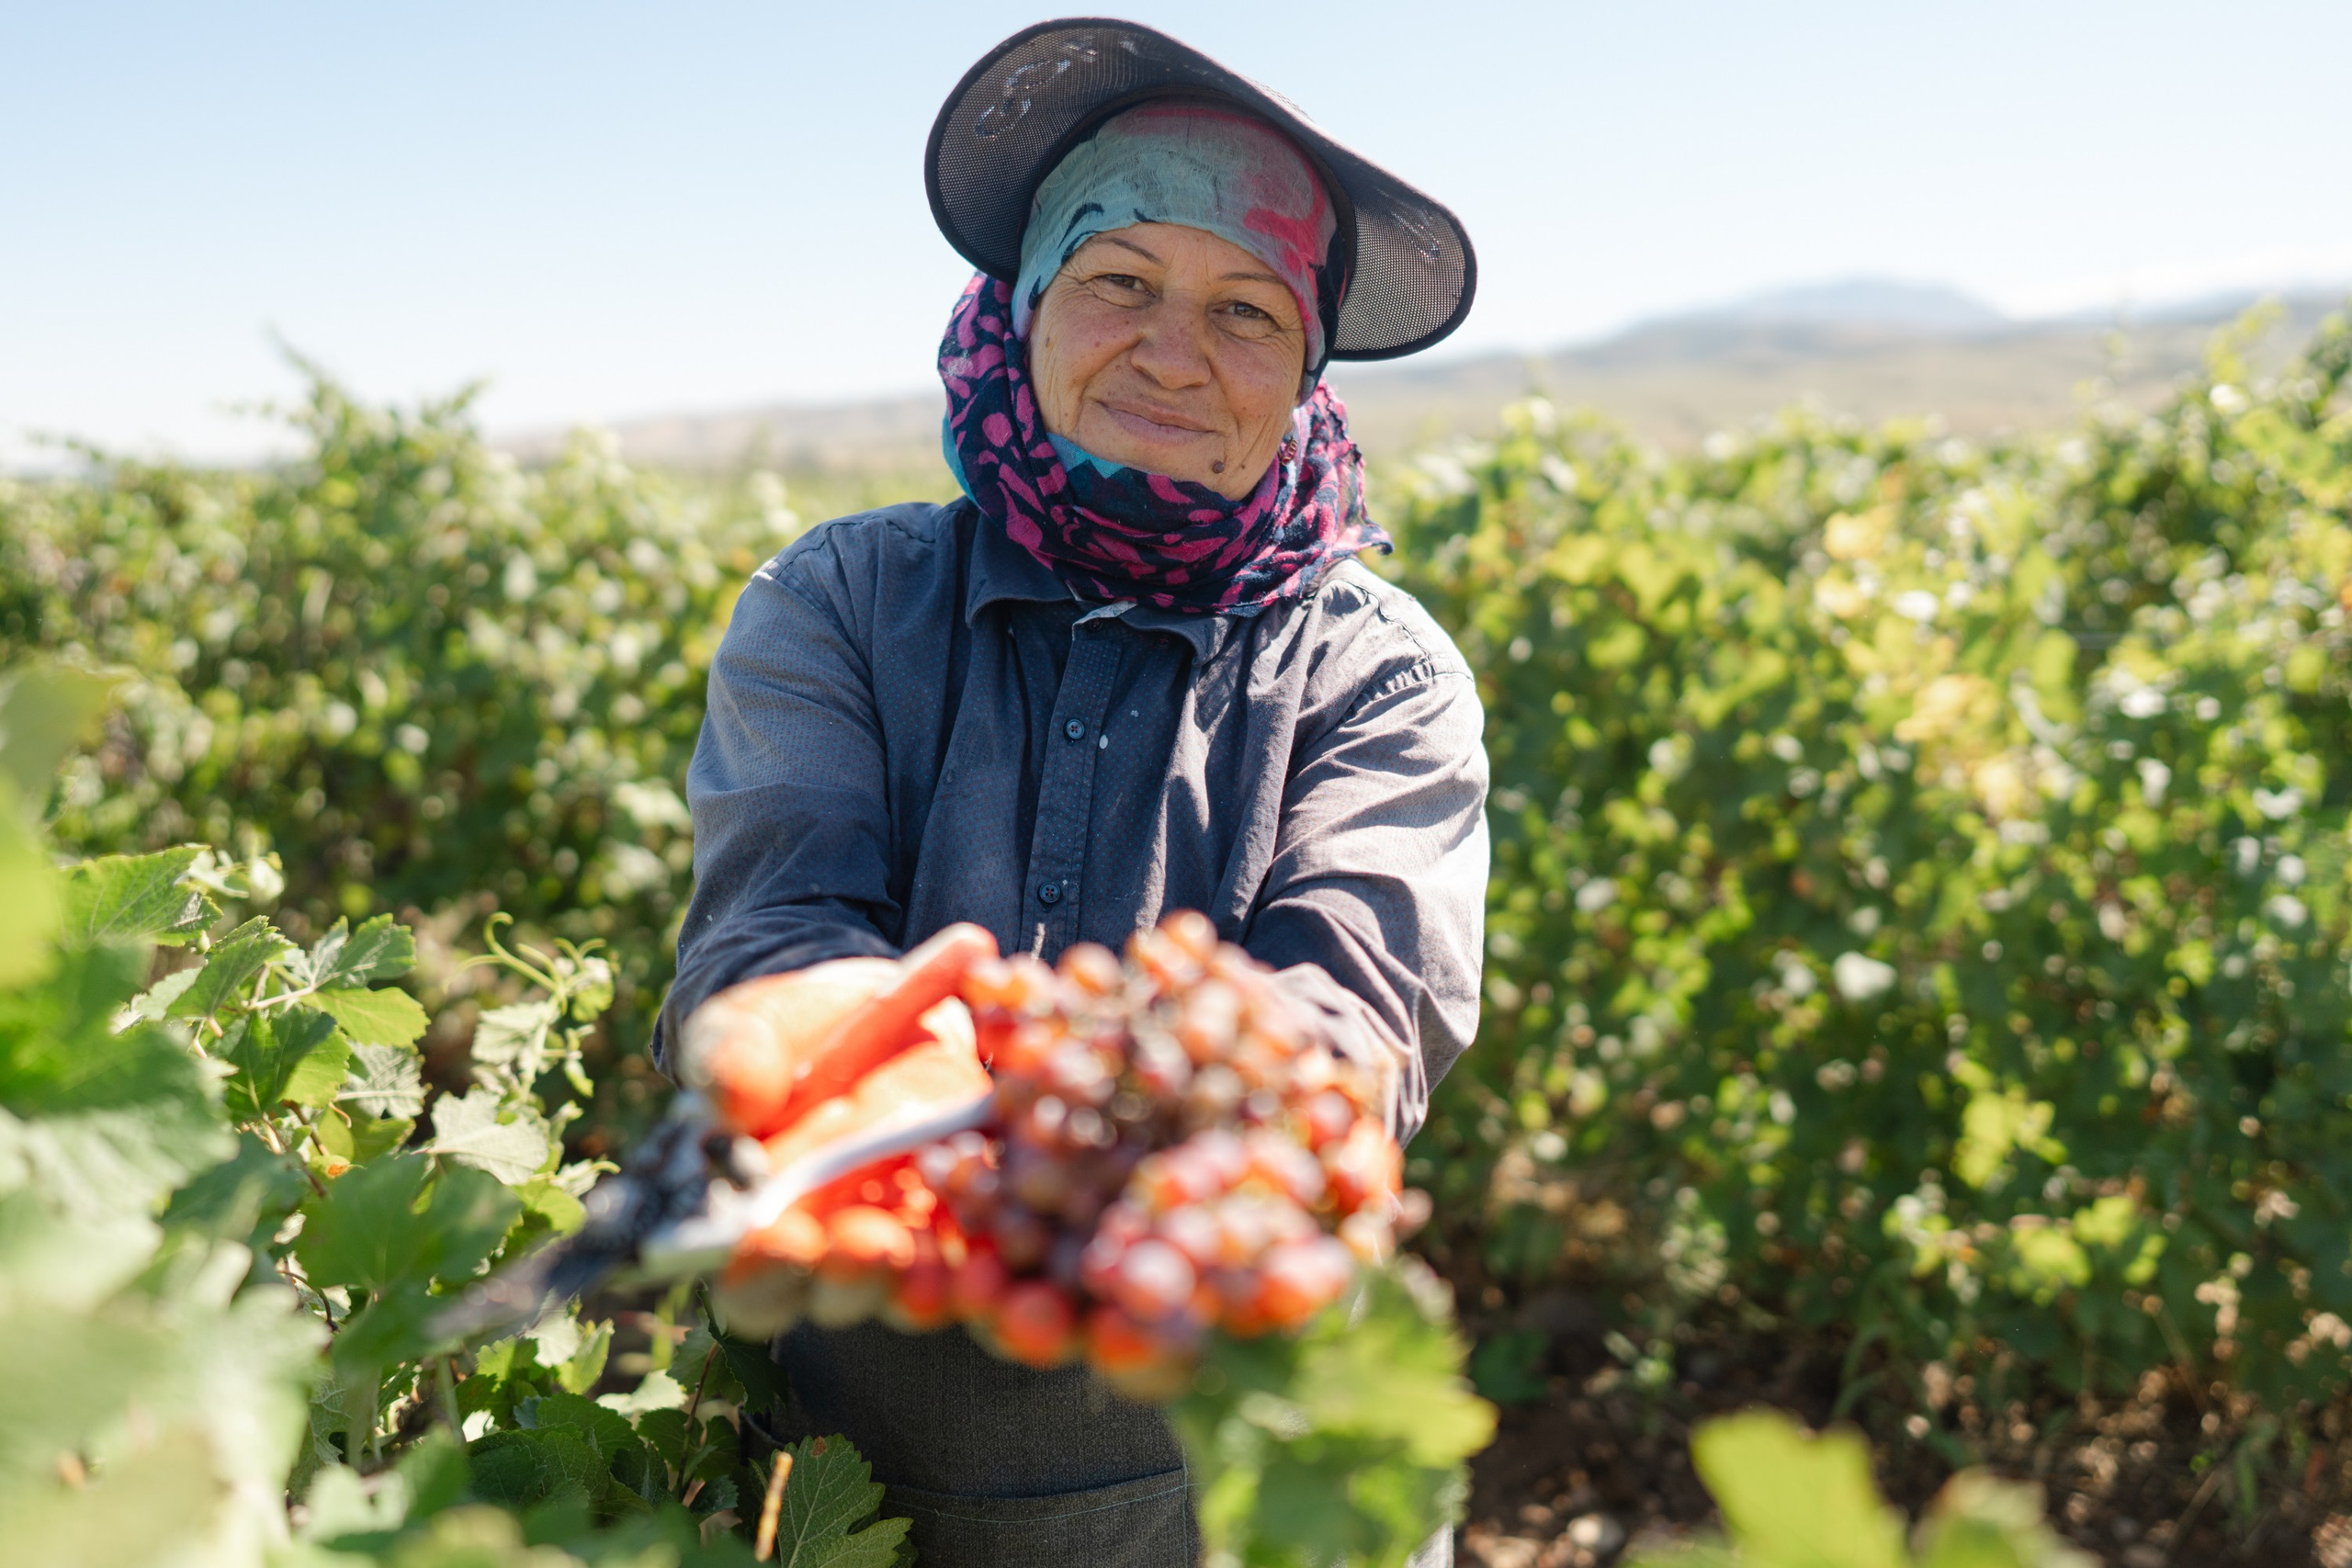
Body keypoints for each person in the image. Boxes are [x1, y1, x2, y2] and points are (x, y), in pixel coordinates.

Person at [658, 18, 1487, 1565]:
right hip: (873, 1466)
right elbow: (770, 932)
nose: (1175, 352)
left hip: (1256, 1471)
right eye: (1120, 282)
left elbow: (1358, 1017)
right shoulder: (838, 603)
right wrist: (840, 1069)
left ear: (1305, 367)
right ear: (1025, 302)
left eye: (1246, 308)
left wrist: (1202, 1136)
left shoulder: (1377, 670)